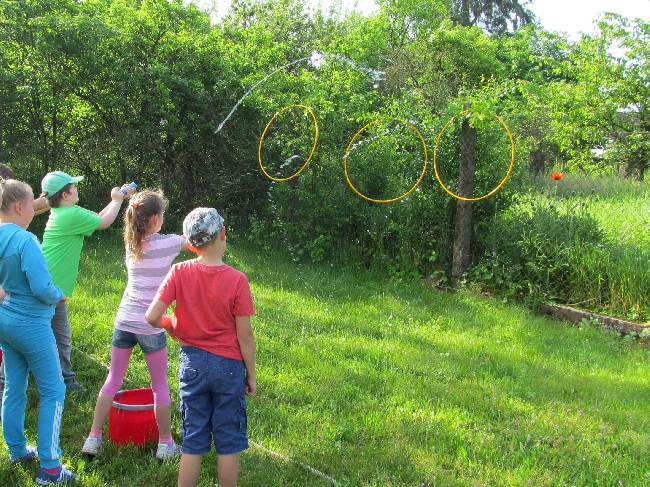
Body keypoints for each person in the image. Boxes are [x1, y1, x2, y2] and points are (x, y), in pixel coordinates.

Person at [145, 208, 257, 487]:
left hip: (191, 364)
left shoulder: (179, 272)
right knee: (228, 439)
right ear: (222, 234)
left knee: (193, 438)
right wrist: (251, 375)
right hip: (229, 368)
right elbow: (245, 337)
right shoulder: (237, 280)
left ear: (191, 242)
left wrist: (173, 326)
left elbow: (151, 316)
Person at [81, 189, 186, 460]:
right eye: (161, 214)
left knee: (112, 380)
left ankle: (93, 438)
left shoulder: (131, 244)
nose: (163, 218)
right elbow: (194, 242)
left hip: (124, 320)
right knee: (159, 385)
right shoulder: (169, 243)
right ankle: (165, 444)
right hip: (150, 324)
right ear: (154, 218)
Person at [0, 178, 80, 485]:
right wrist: (58, 293)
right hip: (31, 324)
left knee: (14, 387)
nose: (36, 207)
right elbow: (41, 286)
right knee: (53, 391)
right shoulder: (25, 240)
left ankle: (17, 450)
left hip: (5, 322)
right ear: (20, 206)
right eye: (33, 203)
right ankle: (50, 468)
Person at [41, 171, 135, 393]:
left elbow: (96, 219)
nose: (76, 189)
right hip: (49, 289)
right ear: (65, 194)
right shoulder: (69, 215)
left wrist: (116, 200)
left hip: (52, 287)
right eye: (73, 186)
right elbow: (104, 223)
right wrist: (117, 200)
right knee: (53, 337)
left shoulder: (67, 211)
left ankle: (65, 379)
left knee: (59, 337)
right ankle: (63, 380)